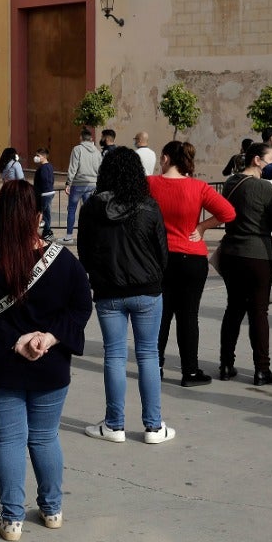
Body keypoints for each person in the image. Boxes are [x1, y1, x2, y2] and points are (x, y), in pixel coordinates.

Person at [0, 179, 93, 540]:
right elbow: (81, 305)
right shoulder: (64, 262)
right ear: (37, 216)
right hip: (50, 365)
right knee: (46, 437)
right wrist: (48, 338)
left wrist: (15, 342)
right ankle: (52, 510)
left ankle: (12, 518)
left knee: (9, 440)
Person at [77, 148, 173, 444]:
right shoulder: (149, 206)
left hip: (108, 291)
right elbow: (162, 252)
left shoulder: (93, 207)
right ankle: (153, 427)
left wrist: (99, 275)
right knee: (148, 355)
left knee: (115, 356)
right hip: (147, 290)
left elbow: (84, 251)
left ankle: (114, 424)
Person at [147, 140, 235, 387]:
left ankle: (156, 365)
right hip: (191, 254)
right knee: (188, 316)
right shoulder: (199, 187)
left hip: (159, 256)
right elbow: (228, 213)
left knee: (160, 315)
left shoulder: (150, 184)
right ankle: (190, 371)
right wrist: (202, 226)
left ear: (165, 159)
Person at [215, 141, 272, 384]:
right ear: (257, 160)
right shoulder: (265, 188)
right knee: (258, 311)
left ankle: (226, 364)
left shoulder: (230, 183)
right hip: (257, 253)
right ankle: (261, 369)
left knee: (233, 308)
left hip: (231, 252)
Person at [63, 129, 101, 243]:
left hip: (78, 184)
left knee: (72, 209)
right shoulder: (97, 151)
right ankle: (90, 235)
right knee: (88, 211)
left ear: (81, 138)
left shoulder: (77, 149)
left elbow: (73, 167)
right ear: (91, 139)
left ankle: (69, 236)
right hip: (92, 184)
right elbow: (100, 169)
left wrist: (68, 183)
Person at [32, 148, 56, 239]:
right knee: (46, 213)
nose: (36, 157)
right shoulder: (49, 166)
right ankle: (47, 231)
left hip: (44, 194)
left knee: (40, 213)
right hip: (49, 192)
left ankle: (46, 231)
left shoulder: (43, 168)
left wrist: (39, 191)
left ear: (44, 157)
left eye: (38, 156)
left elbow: (44, 180)